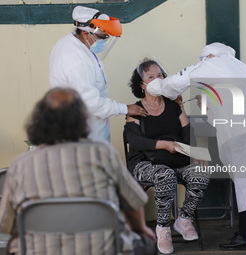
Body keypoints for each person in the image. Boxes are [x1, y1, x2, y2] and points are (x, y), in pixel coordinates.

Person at [0, 88, 156, 255]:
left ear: (39, 121)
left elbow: (5, 224)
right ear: (82, 120)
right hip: (103, 250)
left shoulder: (20, 165)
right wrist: (142, 230)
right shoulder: (103, 153)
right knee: (147, 243)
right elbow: (133, 202)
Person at [147, 42, 246, 249]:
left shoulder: (211, 63)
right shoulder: (243, 67)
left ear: (209, 56)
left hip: (240, 135)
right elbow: (229, 101)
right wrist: (206, 102)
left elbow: (173, 84)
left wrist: (155, 86)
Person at [123, 58, 210, 254]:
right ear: (141, 84)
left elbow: (188, 137)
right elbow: (135, 141)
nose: (157, 80)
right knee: (165, 175)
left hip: (175, 160)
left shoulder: (173, 105)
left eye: (161, 75)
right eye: (151, 77)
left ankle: (184, 219)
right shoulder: (136, 109)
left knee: (201, 172)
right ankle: (163, 228)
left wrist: (183, 110)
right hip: (144, 163)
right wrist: (163, 144)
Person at [49, 6, 147, 142]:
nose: (104, 41)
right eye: (102, 37)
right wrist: (125, 108)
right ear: (85, 33)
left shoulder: (69, 43)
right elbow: (92, 103)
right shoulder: (77, 60)